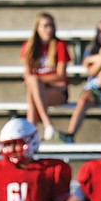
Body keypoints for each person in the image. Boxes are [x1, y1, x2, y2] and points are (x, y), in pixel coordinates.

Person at [61, 21, 101, 143]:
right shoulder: (90, 50)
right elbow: (92, 71)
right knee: (84, 99)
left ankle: (98, 87)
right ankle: (70, 134)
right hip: (95, 90)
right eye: (100, 31)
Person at [20, 12, 70, 142]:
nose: (49, 29)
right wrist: (37, 81)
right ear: (37, 28)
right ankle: (46, 125)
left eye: (51, 26)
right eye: (45, 26)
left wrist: (38, 80)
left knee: (33, 91)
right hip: (40, 89)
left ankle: (31, 135)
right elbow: (27, 77)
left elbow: (61, 75)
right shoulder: (29, 46)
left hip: (57, 92)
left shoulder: (60, 45)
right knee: (33, 93)